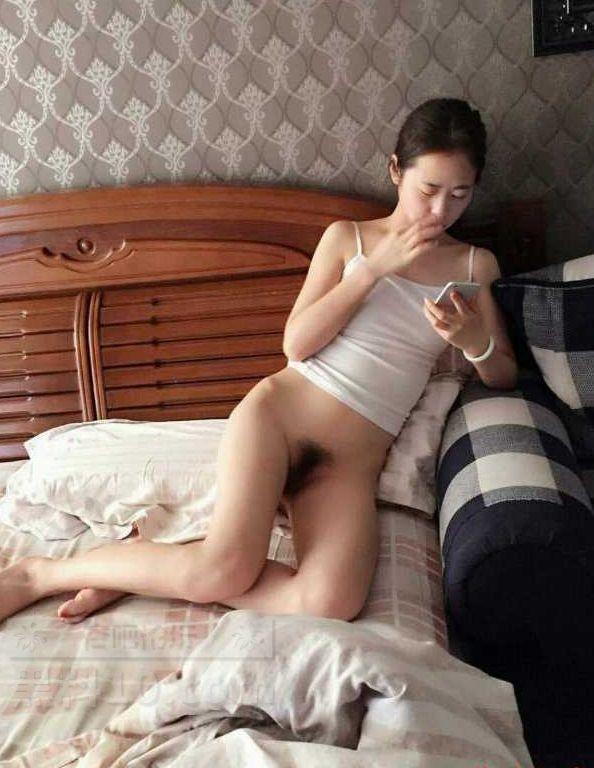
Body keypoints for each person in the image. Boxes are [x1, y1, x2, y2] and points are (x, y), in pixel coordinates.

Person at [0, 97, 517, 625]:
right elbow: (296, 345)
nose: (440, 211)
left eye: (459, 194)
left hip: (346, 467)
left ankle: (147, 570)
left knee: (328, 603)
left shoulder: (474, 266)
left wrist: (475, 341)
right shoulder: (349, 239)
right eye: (428, 190)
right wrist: (370, 272)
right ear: (395, 171)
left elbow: (503, 375)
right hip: (279, 420)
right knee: (222, 571)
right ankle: (39, 574)